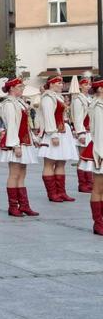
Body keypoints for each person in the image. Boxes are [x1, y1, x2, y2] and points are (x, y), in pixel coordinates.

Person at [0, 77, 39, 218]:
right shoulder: (9, 103)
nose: (22, 88)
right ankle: (13, 206)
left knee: (22, 173)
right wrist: (15, 145)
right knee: (14, 174)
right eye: (20, 86)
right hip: (15, 142)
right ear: (12, 88)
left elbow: (25, 124)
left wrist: (33, 138)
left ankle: (24, 205)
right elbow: (11, 125)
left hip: (24, 141)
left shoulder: (19, 102)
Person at [38, 73, 78, 202]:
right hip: (53, 133)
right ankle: (52, 193)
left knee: (61, 162)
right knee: (50, 163)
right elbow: (49, 116)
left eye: (62, 83)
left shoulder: (57, 97)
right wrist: (53, 134)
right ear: (51, 83)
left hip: (63, 131)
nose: (62, 85)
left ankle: (61, 192)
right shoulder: (47, 97)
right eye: (59, 83)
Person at [81, 78, 103, 235]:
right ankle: (98, 223)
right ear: (100, 89)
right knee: (98, 187)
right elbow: (99, 132)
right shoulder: (97, 106)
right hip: (100, 149)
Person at [72, 76, 93, 193]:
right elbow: (78, 118)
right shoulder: (78, 99)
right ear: (80, 86)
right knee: (83, 158)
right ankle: (82, 184)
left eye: (89, 84)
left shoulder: (89, 98)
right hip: (84, 131)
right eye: (85, 84)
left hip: (91, 131)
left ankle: (89, 182)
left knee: (89, 158)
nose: (88, 87)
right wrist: (80, 133)